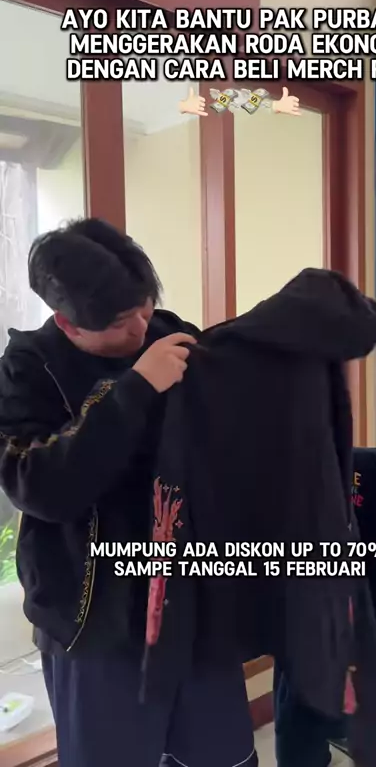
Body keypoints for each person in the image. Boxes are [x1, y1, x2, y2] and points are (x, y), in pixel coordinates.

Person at [0, 219, 256, 767]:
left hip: (193, 600)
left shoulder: (169, 332)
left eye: (144, 307)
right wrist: (134, 388)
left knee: (220, 753)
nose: (141, 328)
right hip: (95, 616)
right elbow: (40, 487)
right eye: (120, 323)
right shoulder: (27, 369)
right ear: (67, 323)